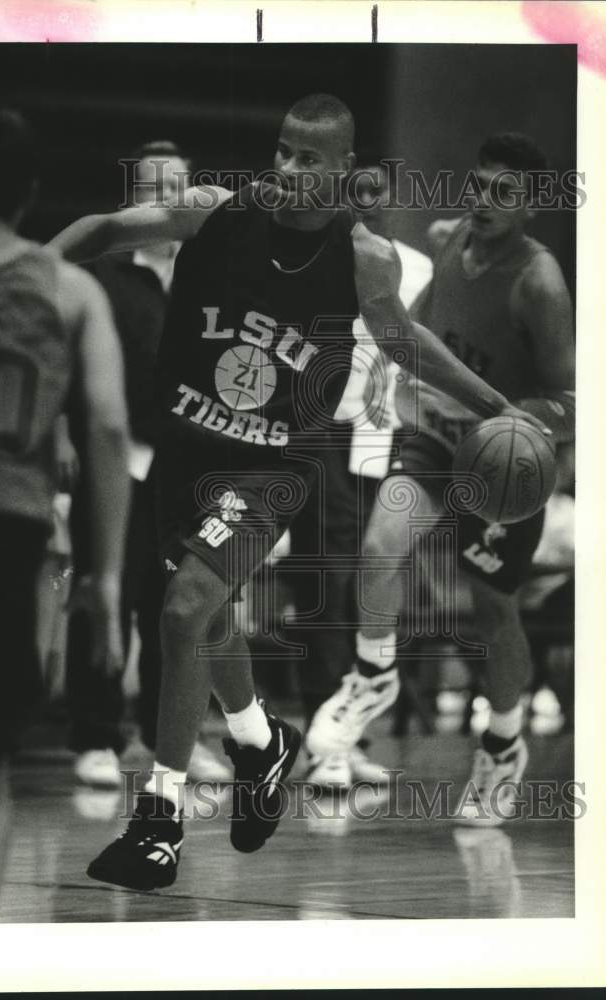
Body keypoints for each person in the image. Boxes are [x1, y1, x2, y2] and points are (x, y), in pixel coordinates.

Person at [51, 97, 547, 890]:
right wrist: (40, 285)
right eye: (282, 152)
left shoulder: (366, 258)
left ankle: (160, 818)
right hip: (185, 450)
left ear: (342, 169)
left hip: (273, 462)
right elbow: (105, 230)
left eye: (309, 159)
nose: (288, 169)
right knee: (204, 618)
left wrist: (495, 405)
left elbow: (402, 340)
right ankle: (260, 741)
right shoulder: (216, 213)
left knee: (184, 609)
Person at [308, 132, 575, 825]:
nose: (485, 200)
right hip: (430, 441)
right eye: (481, 184)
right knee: (378, 549)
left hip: (501, 463)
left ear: (533, 208)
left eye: (505, 193)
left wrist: (513, 424)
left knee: (494, 610)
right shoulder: (449, 237)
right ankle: (372, 676)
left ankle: (504, 741)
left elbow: (572, 400)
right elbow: (417, 335)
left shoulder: (539, 282)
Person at [0, 108, 130, 917]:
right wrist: (103, 578)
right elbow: (106, 426)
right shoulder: (71, 289)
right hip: (5, 527)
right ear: (31, 192)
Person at [60, 141, 231, 787]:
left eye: (177, 187)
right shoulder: (102, 270)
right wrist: (61, 435)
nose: (166, 198)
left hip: (189, 462)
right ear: (131, 195)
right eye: (152, 186)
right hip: (116, 458)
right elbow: (64, 362)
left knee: (182, 604)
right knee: (107, 592)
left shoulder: (212, 269)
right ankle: (97, 735)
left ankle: (173, 738)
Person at [290, 162, 433, 788]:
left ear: (393, 197)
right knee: (325, 574)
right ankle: (324, 745)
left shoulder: (420, 267)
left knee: (375, 578)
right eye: (358, 191)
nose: (368, 201)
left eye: (379, 191)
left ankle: (349, 733)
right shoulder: (317, 255)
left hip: (384, 431)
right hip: (320, 425)